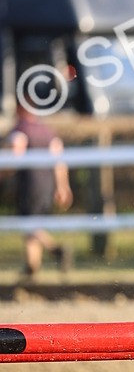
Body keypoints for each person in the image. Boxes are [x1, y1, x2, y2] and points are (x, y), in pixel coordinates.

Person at [7, 105, 73, 277]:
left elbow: (16, 152)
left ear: (20, 110)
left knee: (28, 223)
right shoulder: (48, 131)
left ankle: (56, 249)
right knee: (34, 223)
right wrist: (63, 186)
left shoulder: (21, 129)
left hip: (29, 183)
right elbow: (59, 160)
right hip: (47, 184)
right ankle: (32, 266)